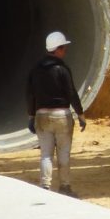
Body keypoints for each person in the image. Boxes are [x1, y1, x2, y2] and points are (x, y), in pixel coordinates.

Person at [26, 30, 86, 197]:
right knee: (63, 153)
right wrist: (80, 115)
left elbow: (30, 94)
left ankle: (45, 186)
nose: (65, 52)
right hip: (62, 117)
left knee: (45, 154)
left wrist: (31, 116)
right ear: (58, 49)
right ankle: (65, 187)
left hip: (42, 117)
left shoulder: (35, 70)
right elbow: (71, 93)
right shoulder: (62, 69)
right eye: (64, 48)